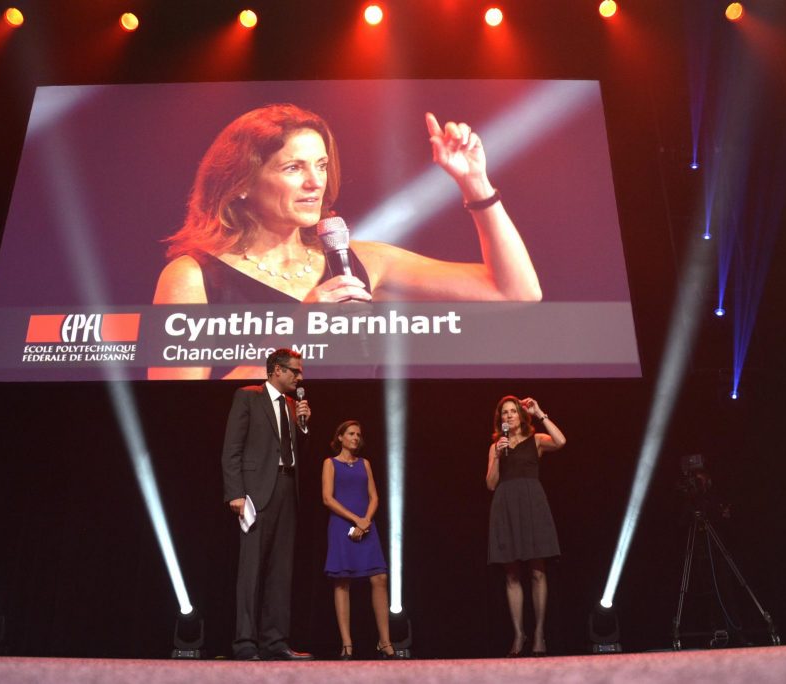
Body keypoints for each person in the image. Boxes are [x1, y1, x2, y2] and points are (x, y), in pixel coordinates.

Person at [150, 103, 541, 379]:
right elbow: (178, 415)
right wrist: (294, 336)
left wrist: (475, 183)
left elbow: (515, 292)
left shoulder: (361, 262)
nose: (315, 182)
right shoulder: (193, 277)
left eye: (320, 166)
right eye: (293, 168)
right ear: (241, 185)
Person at [221, 348, 313, 661]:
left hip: (287, 488)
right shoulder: (248, 397)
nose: (299, 377)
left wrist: (304, 424)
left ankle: (275, 642)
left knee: (280, 570)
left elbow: (296, 451)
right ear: (275, 370)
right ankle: (245, 642)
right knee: (251, 570)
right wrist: (235, 491)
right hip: (256, 492)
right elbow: (232, 448)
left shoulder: (292, 405)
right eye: (294, 371)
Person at [485, 395, 566, 657]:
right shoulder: (497, 446)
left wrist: (540, 412)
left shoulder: (536, 441)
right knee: (511, 574)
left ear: (521, 416)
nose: (508, 416)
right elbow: (490, 484)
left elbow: (561, 441)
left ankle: (539, 633)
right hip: (506, 504)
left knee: (538, 572)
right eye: (504, 413)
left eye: (512, 411)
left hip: (532, 504)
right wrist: (497, 456)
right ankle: (519, 634)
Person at [320, 420, 403, 660]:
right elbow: (327, 498)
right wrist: (355, 519)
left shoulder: (365, 464)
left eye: (359, 434)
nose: (356, 437)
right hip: (341, 525)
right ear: (340, 437)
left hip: (366, 526)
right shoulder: (330, 463)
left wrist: (365, 520)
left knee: (379, 577)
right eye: (351, 433)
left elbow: (374, 496)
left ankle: (385, 642)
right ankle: (347, 644)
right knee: (341, 580)